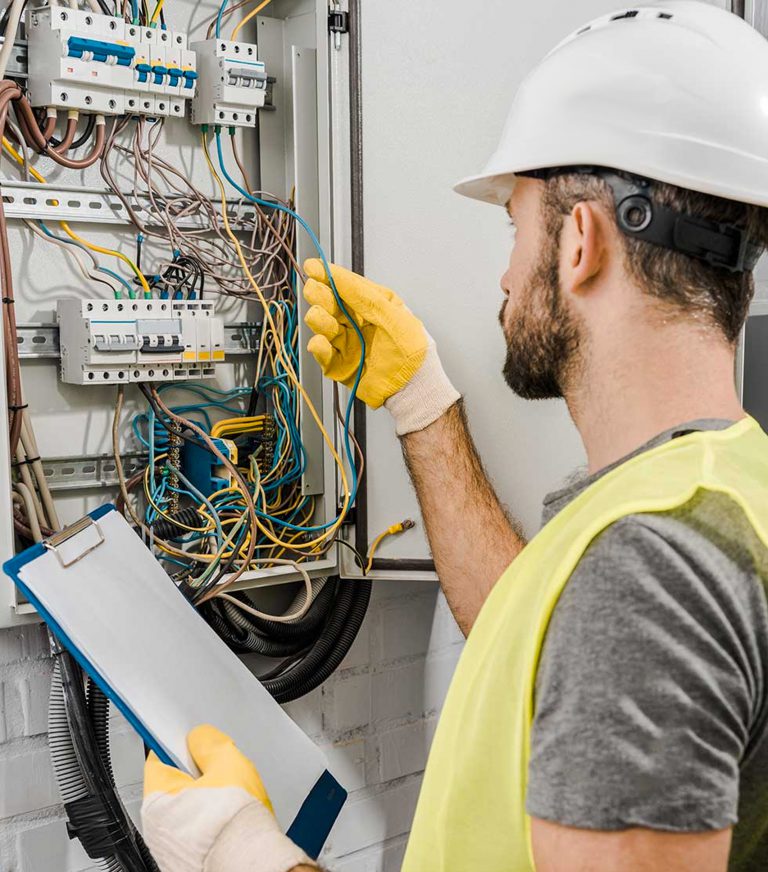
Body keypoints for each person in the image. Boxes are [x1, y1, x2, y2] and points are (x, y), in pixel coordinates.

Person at [140, 2, 768, 870]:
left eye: (515, 226)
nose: (505, 275)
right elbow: (530, 633)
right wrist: (420, 401)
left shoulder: (648, 570)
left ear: (580, 242)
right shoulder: (718, 489)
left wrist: (241, 855)